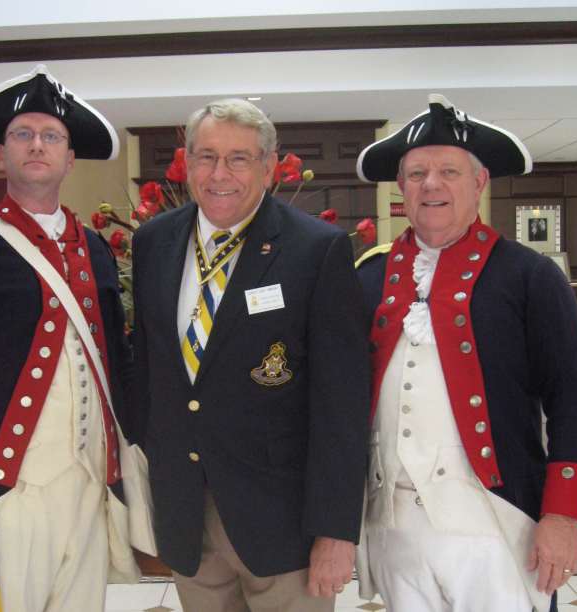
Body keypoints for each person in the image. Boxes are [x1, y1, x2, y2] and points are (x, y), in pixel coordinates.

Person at [354, 94, 577, 612]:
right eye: (417, 173)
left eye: (449, 171)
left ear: (480, 182)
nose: (431, 185)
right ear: (401, 186)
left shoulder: (530, 276)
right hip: (394, 526)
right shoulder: (368, 278)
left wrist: (562, 517)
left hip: (495, 521)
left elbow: (573, 403)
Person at [131, 98, 370, 611]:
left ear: (267, 166)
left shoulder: (315, 248)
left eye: (239, 158)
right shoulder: (154, 243)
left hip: (283, 523)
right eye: (206, 157)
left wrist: (336, 529)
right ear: (187, 162)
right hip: (187, 514)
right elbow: (148, 373)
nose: (221, 174)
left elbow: (341, 404)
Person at [0, 65, 141, 612]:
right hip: (11, 482)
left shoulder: (96, 246)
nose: (37, 145)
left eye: (51, 137)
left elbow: (118, 350)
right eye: (23, 134)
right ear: (2, 150)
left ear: (69, 158)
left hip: (90, 480)